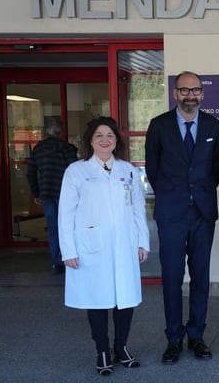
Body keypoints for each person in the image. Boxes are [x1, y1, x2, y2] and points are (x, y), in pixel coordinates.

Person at [58, 117, 149, 375]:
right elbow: (65, 213)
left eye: (109, 135)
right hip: (91, 246)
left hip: (124, 244)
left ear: (116, 140)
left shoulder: (128, 170)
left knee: (125, 299)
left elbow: (138, 209)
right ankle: (102, 350)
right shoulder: (76, 171)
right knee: (97, 299)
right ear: (90, 140)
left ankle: (121, 347)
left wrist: (142, 241)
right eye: (99, 135)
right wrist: (69, 251)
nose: (105, 140)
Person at [145, 71, 219, 364]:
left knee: (201, 277)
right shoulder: (159, 126)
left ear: (202, 94)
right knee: (172, 279)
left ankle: (197, 336)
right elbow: (153, 169)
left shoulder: (214, 126)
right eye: (184, 90)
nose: (191, 95)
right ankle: (173, 339)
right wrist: (173, 195)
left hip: (202, 213)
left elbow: (216, 169)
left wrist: (197, 194)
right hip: (171, 214)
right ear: (175, 93)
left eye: (196, 90)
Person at [27, 119, 78, 274]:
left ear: (46, 131)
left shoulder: (38, 150)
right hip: (66, 194)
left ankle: (56, 262)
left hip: (47, 193)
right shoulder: (68, 149)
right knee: (69, 227)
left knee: (53, 229)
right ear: (60, 131)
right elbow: (76, 173)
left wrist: (37, 192)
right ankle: (69, 257)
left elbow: (30, 174)